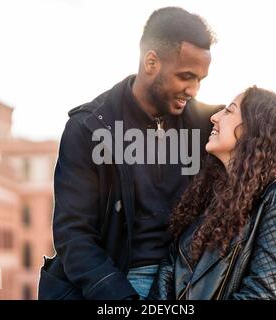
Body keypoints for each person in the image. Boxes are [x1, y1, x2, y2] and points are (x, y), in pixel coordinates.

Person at [38, 7, 219, 300]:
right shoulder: (88, 128)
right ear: (151, 62)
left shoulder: (207, 125)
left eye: (201, 79)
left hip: (183, 280)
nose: (194, 89)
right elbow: (74, 236)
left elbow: (267, 137)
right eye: (186, 76)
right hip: (115, 282)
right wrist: (124, 301)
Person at [148, 86, 276, 300]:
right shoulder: (205, 197)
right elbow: (165, 279)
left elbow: (262, 295)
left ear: (252, 130)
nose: (215, 117)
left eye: (229, 111)